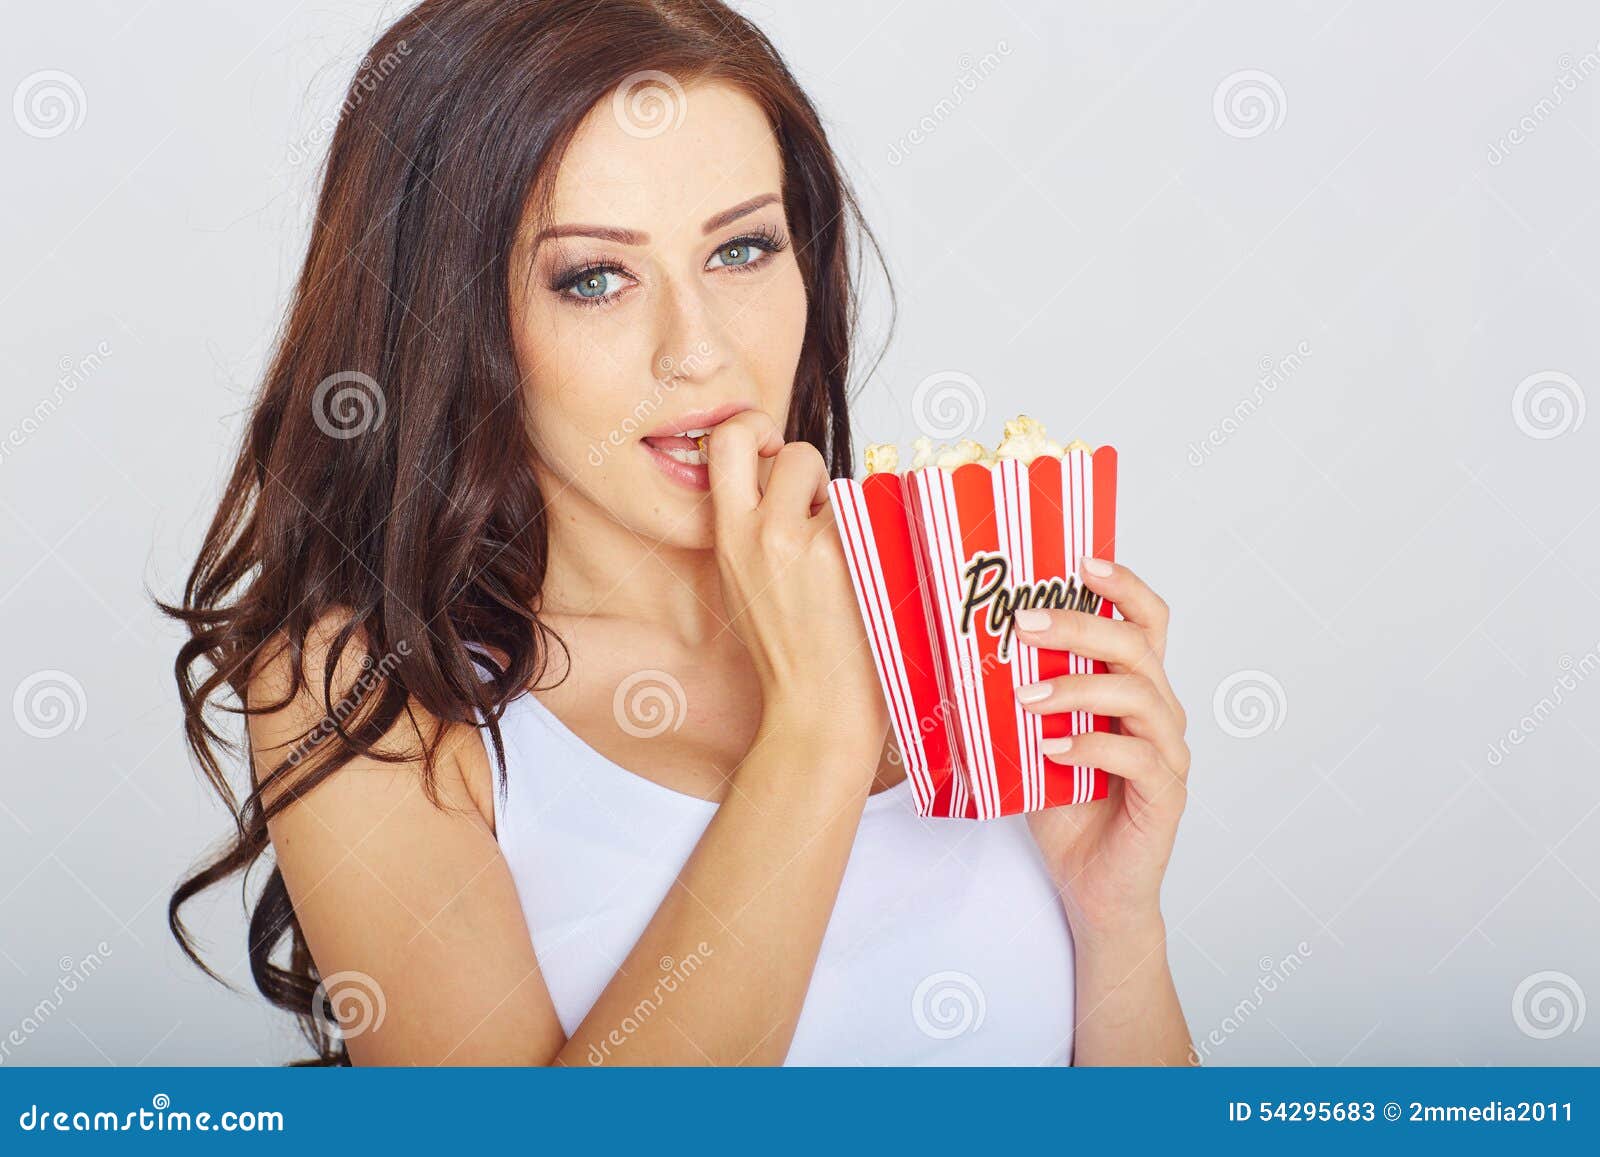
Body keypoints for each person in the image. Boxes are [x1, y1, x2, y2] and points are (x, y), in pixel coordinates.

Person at [166, 0, 1193, 1066]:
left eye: (742, 249)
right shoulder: (369, 690)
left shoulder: (956, 600)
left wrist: (1113, 920)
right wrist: (819, 732)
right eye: (594, 278)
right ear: (452, 317)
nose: (697, 352)